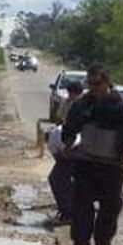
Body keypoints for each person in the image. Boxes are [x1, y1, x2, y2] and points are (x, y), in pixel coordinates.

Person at [60, 65, 123, 245]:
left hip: (112, 166)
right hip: (86, 163)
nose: (93, 88)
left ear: (107, 82)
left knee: (109, 209)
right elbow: (70, 128)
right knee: (81, 207)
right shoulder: (82, 104)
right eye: (90, 84)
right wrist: (68, 144)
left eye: (97, 84)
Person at [45, 82, 85, 226]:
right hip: (73, 143)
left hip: (74, 145)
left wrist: (66, 152)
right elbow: (60, 119)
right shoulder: (68, 103)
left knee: (57, 179)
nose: (70, 95)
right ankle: (70, 210)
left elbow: (59, 153)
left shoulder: (82, 104)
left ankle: (69, 213)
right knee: (67, 181)